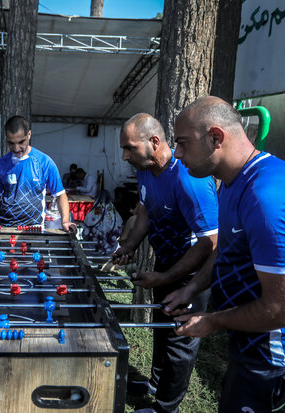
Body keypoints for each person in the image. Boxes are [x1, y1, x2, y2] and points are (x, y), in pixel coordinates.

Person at [164, 96, 285, 412]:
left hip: (283, 362)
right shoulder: (232, 183)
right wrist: (191, 288)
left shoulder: (267, 199)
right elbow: (227, 251)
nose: (177, 154)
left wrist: (212, 322)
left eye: (183, 143)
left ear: (216, 137)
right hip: (256, 349)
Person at [112, 113, 219, 413]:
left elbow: (210, 243)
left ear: (154, 142)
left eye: (129, 148)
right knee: (163, 328)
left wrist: (164, 278)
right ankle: (155, 385)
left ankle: (166, 407)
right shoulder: (145, 169)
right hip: (166, 264)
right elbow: (145, 209)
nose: (124, 155)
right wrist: (130, 245)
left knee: (181, 340)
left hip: (192, 275)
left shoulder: (189, 180)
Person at [0, 115, 75, 231]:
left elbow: (60, 194)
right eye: (11, 143)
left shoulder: (44, 162)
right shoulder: (0, 164)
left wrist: (65, 221)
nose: (16, 148)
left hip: (34, 229)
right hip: (4, 227)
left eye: (21, 142)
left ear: (29, 134)